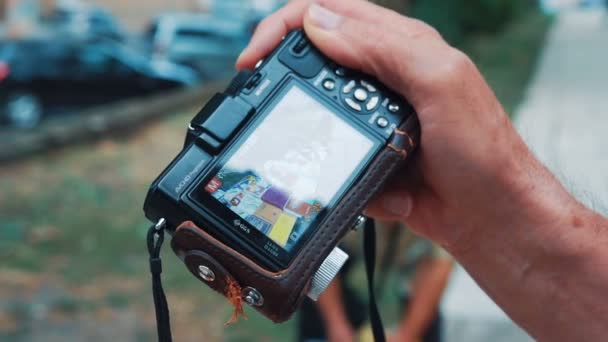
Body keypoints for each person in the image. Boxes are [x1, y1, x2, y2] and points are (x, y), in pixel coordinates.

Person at [236, 1, 608, 340]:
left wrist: (408, 334)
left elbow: (437, 263)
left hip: (404, 299)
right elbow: (311, 253)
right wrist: (338, 329)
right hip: (342, 295)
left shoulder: (430, 163)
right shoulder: (319, 169)